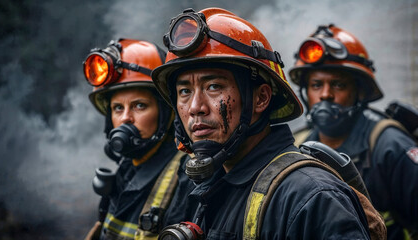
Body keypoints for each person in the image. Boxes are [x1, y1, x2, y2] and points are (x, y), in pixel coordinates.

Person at [151, 8, 373, 239]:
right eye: (185, 91)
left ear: (261, 98)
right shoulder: (210, 186)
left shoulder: (312, 196)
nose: (196, 107)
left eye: (214, 86)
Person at [289, 24, 418, 240]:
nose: (326, 95)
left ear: (359, 91)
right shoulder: (297, 148)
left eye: (338, 85)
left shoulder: (390, 145)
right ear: (305, 92)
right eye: (316, 85)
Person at [82, 39, 193, 240]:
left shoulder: (187, 176)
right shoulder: (126, 169)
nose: (125, 118)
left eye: (139, 106)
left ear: (166, 113)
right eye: (117, 108)